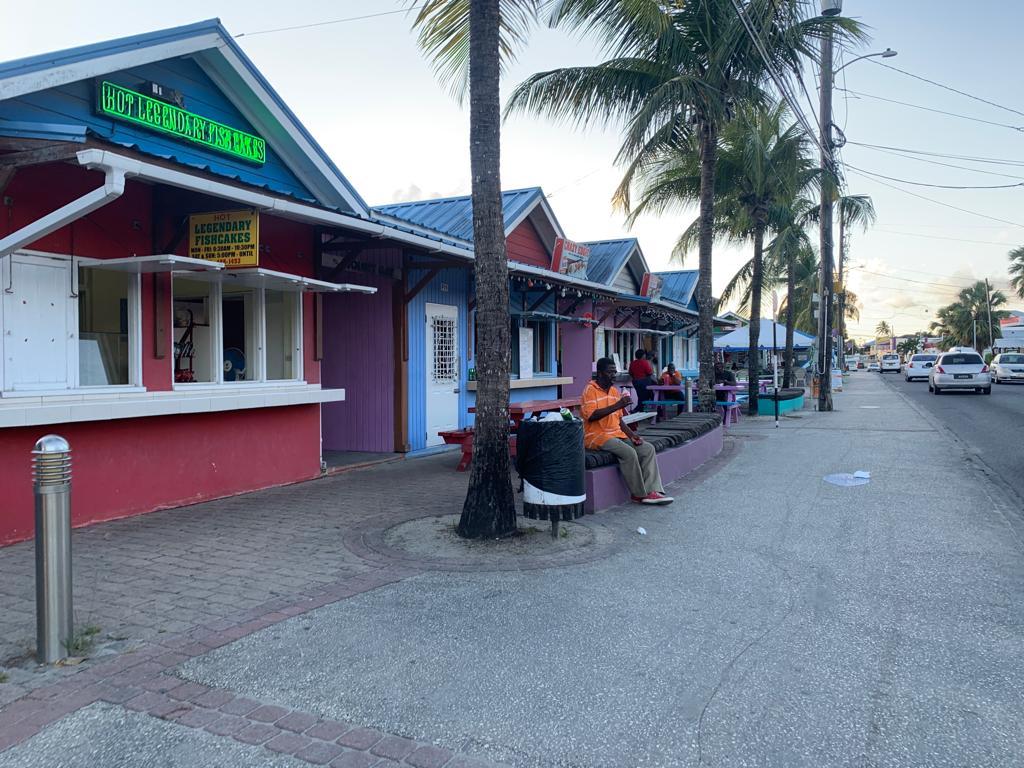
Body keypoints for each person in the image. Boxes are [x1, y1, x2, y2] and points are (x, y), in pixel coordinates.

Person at [581, 358, 673, 505]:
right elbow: (591, 416)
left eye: (614, 372)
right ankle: (638, 494)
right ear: (599, 373)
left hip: (617, 434)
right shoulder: (590, 390)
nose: (613, 375)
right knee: (628, 453)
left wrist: (632, 435)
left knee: (647, 449)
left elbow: (619, 420)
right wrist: (617, 405)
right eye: (610, 372)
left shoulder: (613, 391)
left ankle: (653, 491)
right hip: (596, 436)